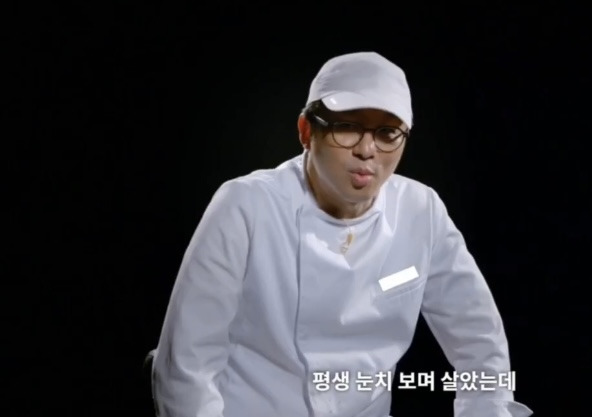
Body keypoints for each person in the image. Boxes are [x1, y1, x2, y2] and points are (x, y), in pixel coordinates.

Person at [150, 51, 533, 417]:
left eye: (387, 133)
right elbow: (186, 365)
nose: (367, 149)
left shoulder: (422, 211)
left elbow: (480, 342)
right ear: (306, 131)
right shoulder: (247, 206)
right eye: (347, 128)